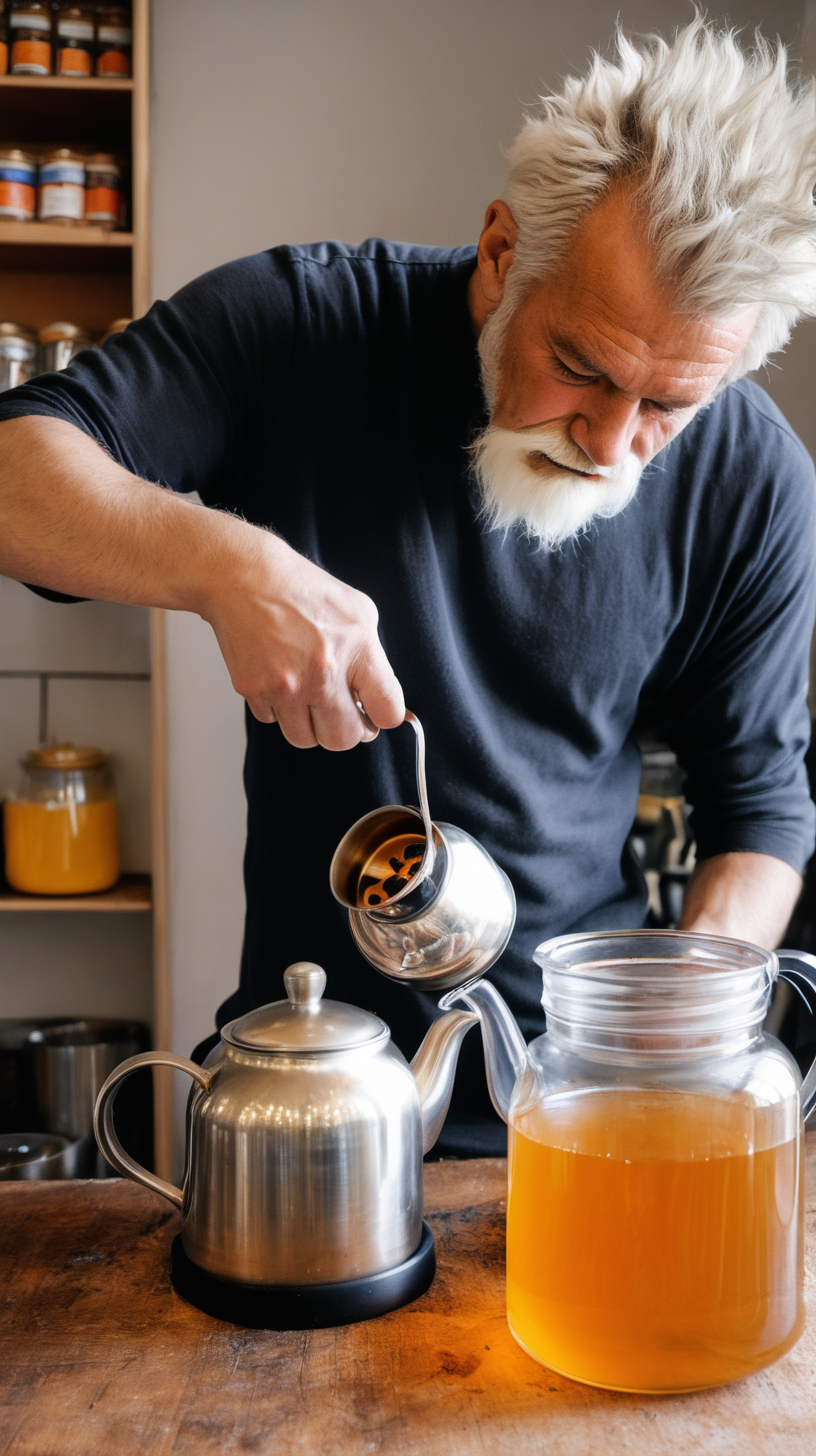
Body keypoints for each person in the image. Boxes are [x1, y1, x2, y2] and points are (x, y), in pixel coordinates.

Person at [1, 18, 815, 1154]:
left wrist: (673, 1033)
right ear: (500, 251)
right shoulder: (301, 328)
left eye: (670, 404)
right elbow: (14, 471)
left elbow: (763, 812)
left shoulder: (759, 477)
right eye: (581, 365)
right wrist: (230, 564)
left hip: (576, 1105)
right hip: (301, 1090)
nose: (613, 442)